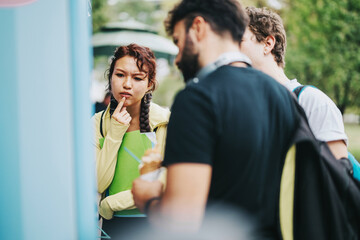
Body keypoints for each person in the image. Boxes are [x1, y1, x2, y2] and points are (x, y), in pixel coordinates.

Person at [132, 0, 299, 238]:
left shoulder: (196, 100)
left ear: (198, 27)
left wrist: (147, 198)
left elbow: (181, 221)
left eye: (178, 42)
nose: (178, 59)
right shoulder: (284, 97)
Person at [240, 7, 348, 160]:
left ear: (268, 44)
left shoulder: (312, 102)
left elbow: (339, 174)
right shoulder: (244, 105)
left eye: (240, 40)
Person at [92, 43, 170, 238]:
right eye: (120, 75)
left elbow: (164, 181)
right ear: (110, 77)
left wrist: (112, 203)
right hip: (113, 227)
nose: (127, 84)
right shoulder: (98, 122)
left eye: (137, 78)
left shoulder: (164, 121)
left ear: (149, 84)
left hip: (157, 224)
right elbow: (98, 183)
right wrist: (115, 134)